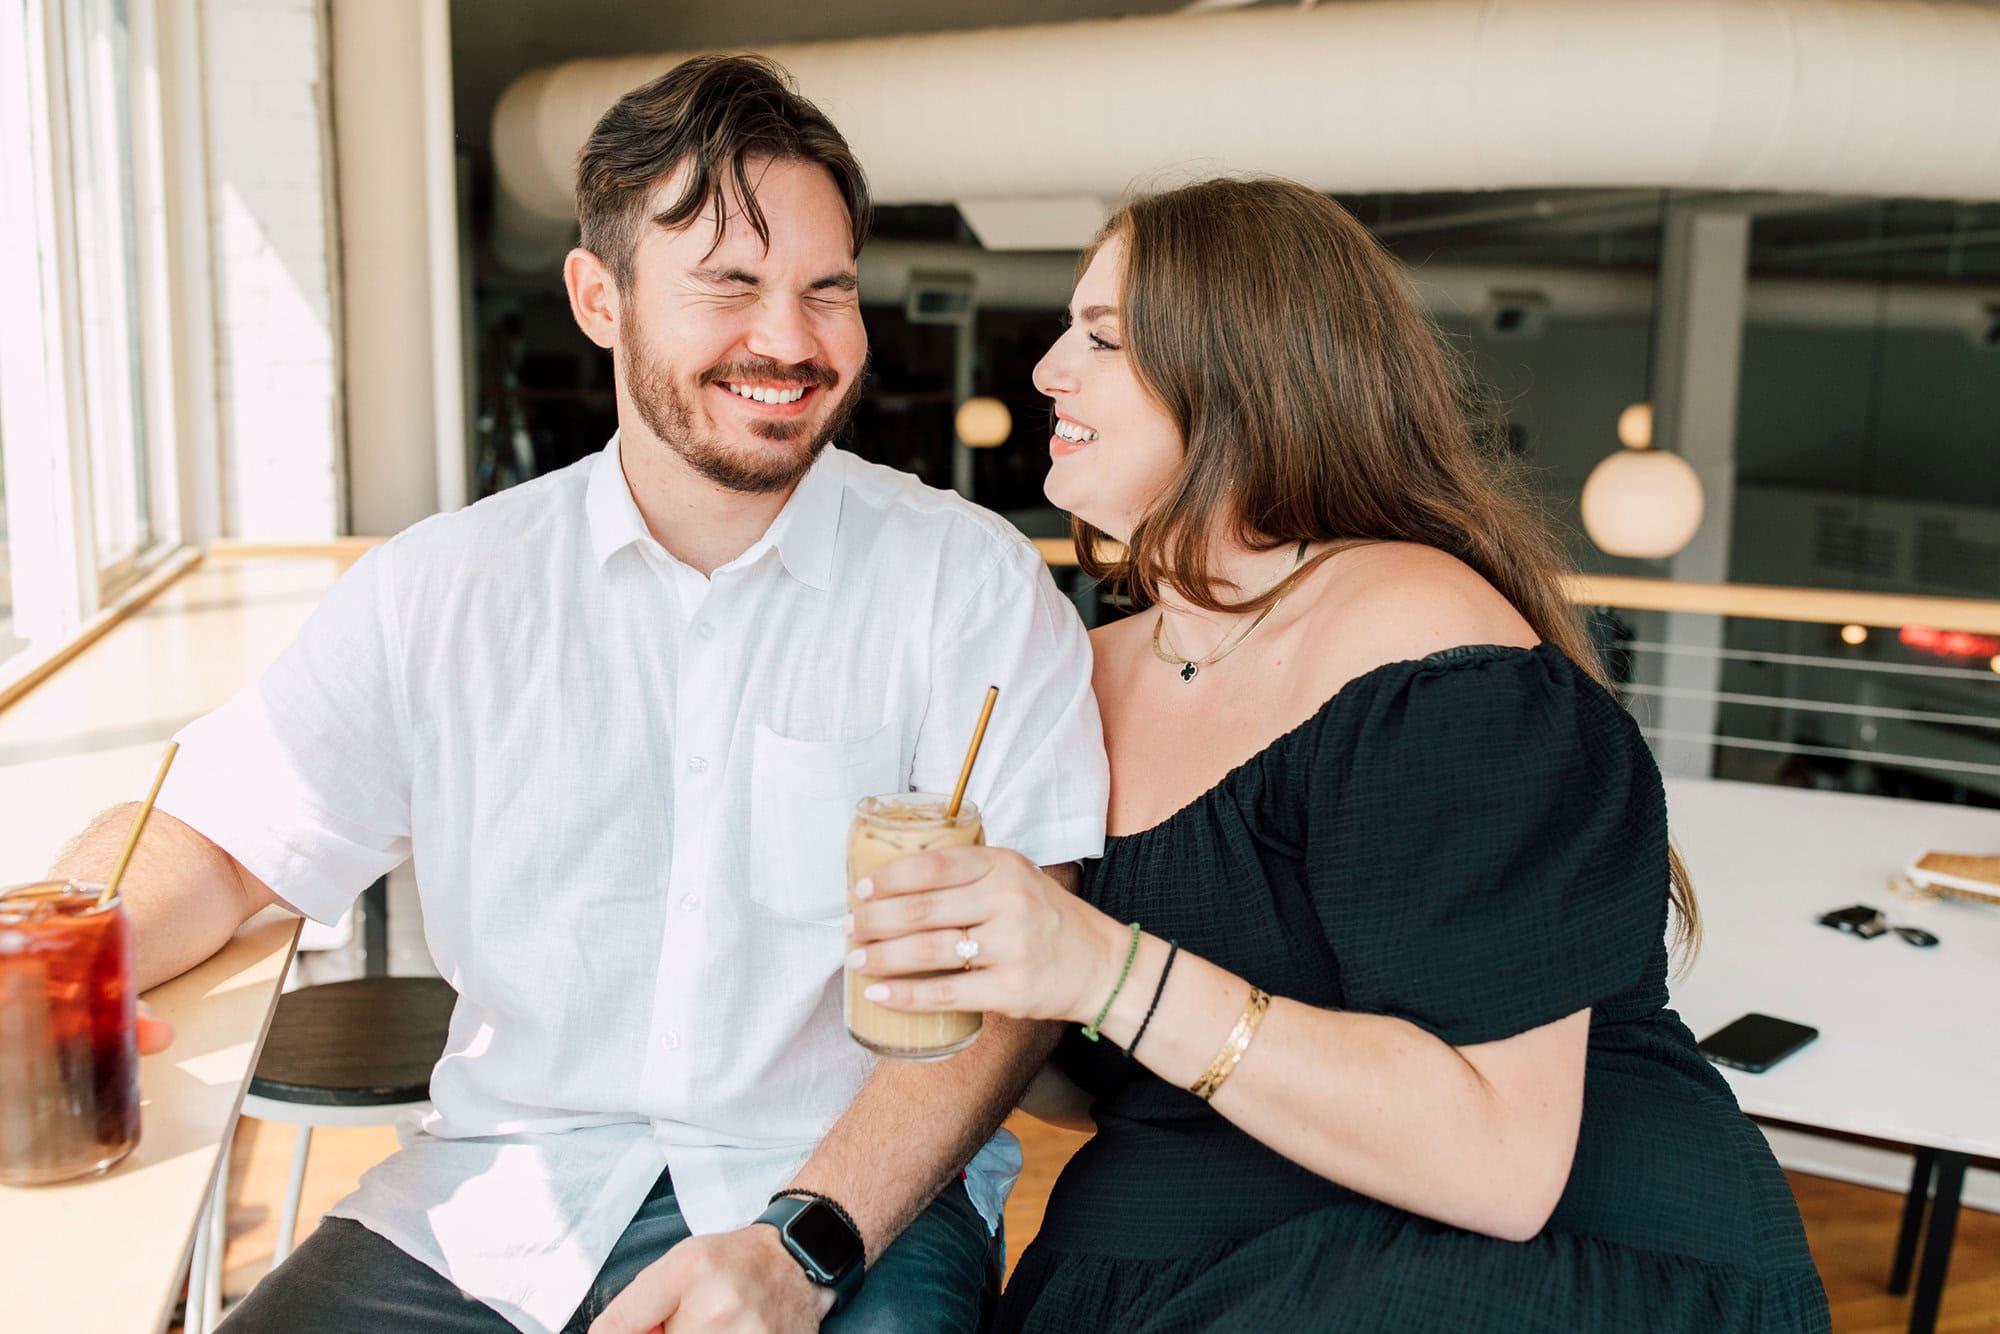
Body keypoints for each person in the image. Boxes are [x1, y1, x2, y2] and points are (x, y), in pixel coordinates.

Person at [53, 56, 1107, 1334]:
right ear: (597, 298)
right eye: (730, 283)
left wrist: (801, 1243)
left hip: (846, 1206)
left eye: (824, 288)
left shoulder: (970, 585)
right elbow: (217, 838)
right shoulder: (444, 588)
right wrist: (62, 949)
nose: (789, 338)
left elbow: (1017, 977)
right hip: (494, 1204)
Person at [847, 178, 1832, 1332]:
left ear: (1242, 372)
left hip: (1520, 1266)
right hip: (1169, 1260)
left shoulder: (1424, 649)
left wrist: (1097, 965)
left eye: (1102, 337)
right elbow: (1111, 1068)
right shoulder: (1074, 671)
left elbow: (1501, 1167)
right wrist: (982, 977)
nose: (1047, 368)